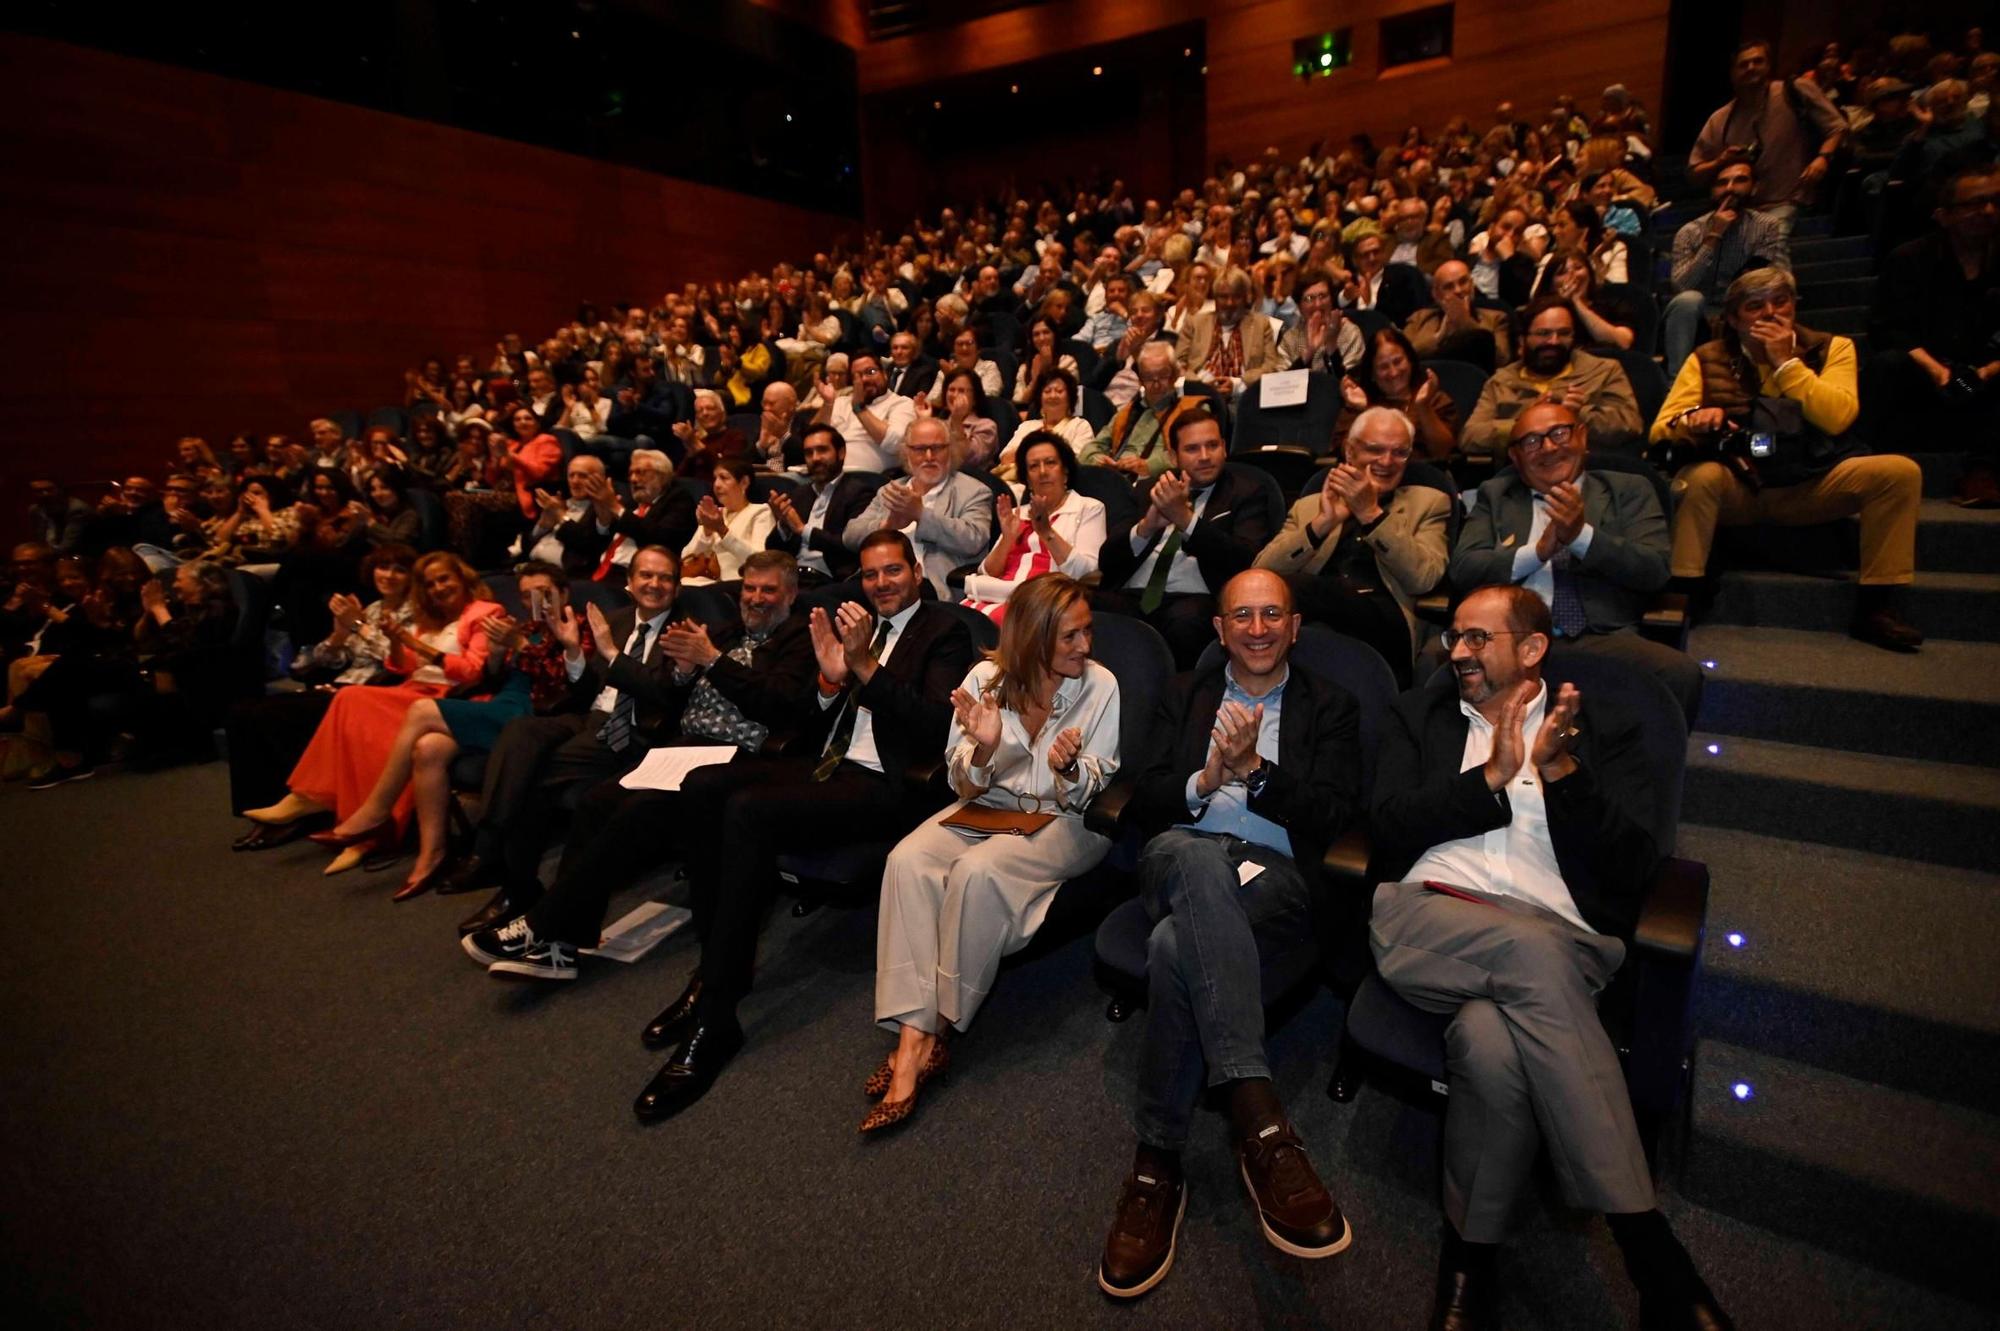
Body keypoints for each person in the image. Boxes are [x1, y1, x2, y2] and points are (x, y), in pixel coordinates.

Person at [1369, 584, 1733, 1331]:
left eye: (1479, 638)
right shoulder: (1421, 715)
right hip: (1429, 920)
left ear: (1533, 648)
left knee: (1490, 1046)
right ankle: (1650, 1251)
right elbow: (1385, 828)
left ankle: (1470, 1258)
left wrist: (1563, 775)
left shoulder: (1605, 728)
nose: (1457, 651)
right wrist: (1491, 779)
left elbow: (1638, 867)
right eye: (1454, 637)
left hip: (1560, 937)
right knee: (1529, 958)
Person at [631, 531, 977, 1123]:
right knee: (701, 786)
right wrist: (827, 681)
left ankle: (717, 1014)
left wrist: (865, 666)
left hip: (889, 785)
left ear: (917, 572)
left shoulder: (944, 629)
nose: (880, 584)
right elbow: (809, 716)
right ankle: (715, 965)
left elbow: (935, 728)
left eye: (893, 571)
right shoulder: (853, 624)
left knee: (747, 811)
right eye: (870, 575)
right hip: (826, 765)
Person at [1095, 569, 1361, 1297]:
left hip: (1276, 875)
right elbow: (1143, 787)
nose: (1257, 627)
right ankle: (1259, 1116)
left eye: (1272, 613)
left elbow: (1337, 813)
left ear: (1295, 626)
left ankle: (1157, 1163)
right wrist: (1205, 781)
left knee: (1172, 948)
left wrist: (1258, 773)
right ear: (1219, 629)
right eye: (1241, 614)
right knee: (1190, 855)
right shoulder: (1185, 694)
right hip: (1179, 854)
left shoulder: (1330, 706)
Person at [461, 552, 818, 976]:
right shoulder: (726, 631)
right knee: (597, 800)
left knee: (638, 808)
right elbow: (664, 690)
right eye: (749, 588)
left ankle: (540, 924)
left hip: (738, 753)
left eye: (768, 589)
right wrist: (685, 672)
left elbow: (779, 703)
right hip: (684, 746)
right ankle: (565, 945)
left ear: (791, 594)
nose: (756, 598)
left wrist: (712, 662)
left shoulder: (800, 639)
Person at [865, 573, 1120, 1132]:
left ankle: (925, 1033)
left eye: (1087, 633)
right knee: (906, 859)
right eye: (1071, 637)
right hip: (990, 808)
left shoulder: (1100, 686)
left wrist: (1068, 768)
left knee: (978, 873)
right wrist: (985, 751)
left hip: (1066, 820)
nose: (1085, 647)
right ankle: (919, 1033)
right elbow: (961, 781)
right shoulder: (985, 677)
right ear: (1032, 637)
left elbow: (1097, 784)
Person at [1650, 267, 1924, 652]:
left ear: (1795, 307)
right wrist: (1693, 422)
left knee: (1898, 472)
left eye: (1781, 302)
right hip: (1740, 485)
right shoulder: (1707, 357)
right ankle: (1682, 596)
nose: (1770, 314)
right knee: (1698, 477)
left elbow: (1839, 416)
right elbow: (1660, 428)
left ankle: (1876, 607)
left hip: (1812, 481)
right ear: (1732, 318)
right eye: (1754, 306)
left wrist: (1785, 364)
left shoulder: (1833, 347)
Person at [440, 546, 685, 918]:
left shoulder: (682, 630)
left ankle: (513, 883)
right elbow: (586, 691)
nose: (655, 584)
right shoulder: (616, 620)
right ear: (630, 583)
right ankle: (491, 852)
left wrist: (611, 655)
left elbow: (664, 695)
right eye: (646, 576)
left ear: (677, 588)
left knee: (530, 778)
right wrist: (573, 651)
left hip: (631, 730)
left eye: (665, 577)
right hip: (589, 716)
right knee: (522, 731)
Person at [321, 562, 590, 900]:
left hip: (530, 714)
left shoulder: (577, 625)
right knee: (429, 748)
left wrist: (521, 645)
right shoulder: (524, 626)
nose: (536, 602)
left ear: (564, 592)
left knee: (420, 710)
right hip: (501, 702)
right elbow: (493, 679)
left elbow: (568, 684)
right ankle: (432, 854)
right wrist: (496, 654)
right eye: (526, 595)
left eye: (544, 594)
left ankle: (377, 810)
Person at [240, 552, 500, 871]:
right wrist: (395, 642)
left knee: (352, 699)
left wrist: (414, 645)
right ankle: (333, 812)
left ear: (463, 578)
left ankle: (341, 815)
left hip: (452, 697)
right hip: (413, 689)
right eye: (430, 584)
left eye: (445, 579)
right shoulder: (430, 616)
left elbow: (473, 671)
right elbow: (401, 665)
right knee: (354, 714)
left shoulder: (485, 612)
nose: (438, 588)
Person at [1453, 402, 1697, 720]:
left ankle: (1643, 769)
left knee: (1680, 674)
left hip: (1600, 637)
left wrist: (1580, 536)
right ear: (1515, 457)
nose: (1548, 447)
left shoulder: (1628, 490)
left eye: (1559, 433)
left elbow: (1653, 570)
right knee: (1435, 659)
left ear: (1582, 437)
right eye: (1531, 441)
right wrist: (1538, 552)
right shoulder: (1496, 495)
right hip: (1510, 638)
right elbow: (1463, 570)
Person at [225, 543, 417, 837]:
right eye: (383, 567)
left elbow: (400, 661)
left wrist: (358, 626)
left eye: (399, 570)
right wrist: (339, 635)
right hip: (342, 684)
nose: (388, 575)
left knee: (278, 717)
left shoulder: (416, 610)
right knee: (242, 712)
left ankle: (306, 805)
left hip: (373, 693)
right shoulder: (373, 608)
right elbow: (323, 661)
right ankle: (264, 808)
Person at [1253, 408, 1451, 686]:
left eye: (1399, 452)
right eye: (1375, 449)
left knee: (1303, 590)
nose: (1387, 461)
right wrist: (1322, 523)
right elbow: (1261, 575)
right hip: (1316, 616)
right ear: (1350, 451)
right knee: (1310, 625)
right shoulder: (1310, 505)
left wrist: (1370, 513)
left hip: (1384, 618)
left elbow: (1423, 579)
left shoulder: (1430, 502)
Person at [1095, 408, 1281, 667]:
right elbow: (1107, 561)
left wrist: (1185, 520)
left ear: (1224, 448)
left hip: (1196, 600)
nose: (1205, 457)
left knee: (1186, 620)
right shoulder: (1149, 489)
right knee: (1082, 604)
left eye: (1212, 446)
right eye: (1192, 449)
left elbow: (1245, 560)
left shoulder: (1246, 492)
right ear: (1173, 456)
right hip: (1133, 595)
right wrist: (1147, 526)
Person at [1868, 163, 2000, 505]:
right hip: (1929, 375)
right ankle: (1879, 467)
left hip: (1986, 378)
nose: (1987, 211)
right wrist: (1937, 371)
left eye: (1994, 202)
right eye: (1973, 203)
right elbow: (1887, 328)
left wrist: (1986, 372)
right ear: (1943, 215)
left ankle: (1982, 472)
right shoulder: (1908, 259)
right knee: (1885, 366)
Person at [1689, 38, 1845, 238]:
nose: (1751, 68)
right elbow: (1694, 173)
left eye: (1757, 61)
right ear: (1732, 73)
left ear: (1769, 65)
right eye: (1743, 64)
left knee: (1769, 242)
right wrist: (1721, 162)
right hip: (1740, 208)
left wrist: (1823, 157)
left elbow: (1837, 127)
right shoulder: (1720, 119)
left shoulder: (1795, 89)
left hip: (1790, 199)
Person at [1460, 296, 1645, 456]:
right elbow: (1470, 437)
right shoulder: (1500, 381)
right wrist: (1526, 422)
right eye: (1543, 334)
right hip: (1519, 478)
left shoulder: (1604, 370)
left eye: (1564, 333)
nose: (1554, 341)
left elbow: (1631, 425)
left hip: (1592, 472)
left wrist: (1579, 415)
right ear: (1522, 340)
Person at [842, 417, 994, 600]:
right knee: (828, 599)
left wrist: (921, 514)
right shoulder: (891, 491)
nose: (929, 457)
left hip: (929, 585)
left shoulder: (974, 491)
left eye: (937, 448)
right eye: (920, 449)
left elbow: (974, 540)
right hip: (879, 580)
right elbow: (849, 536)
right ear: (907, 452)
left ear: (950, 450)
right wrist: (886, 526)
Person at [1664, 159, 1790, 373]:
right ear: (1712, 191)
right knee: (1686, 301)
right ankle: (1675, 381)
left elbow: (1773, 277)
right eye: (1722, 183)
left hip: (1746, 304)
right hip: (1701, 310)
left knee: (1767, 297)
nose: (1730, 188)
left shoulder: (1766, 226)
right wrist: (1713, 236)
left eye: (1739, 180)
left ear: (1754, 187)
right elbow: (1681, 285)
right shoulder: (1690, 232)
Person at [963, 432, 1107, 620]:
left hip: (1044, 604)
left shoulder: (1088, 508)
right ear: (1028, 480)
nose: (1042, 472)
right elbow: (987, 573)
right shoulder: (1017, 513)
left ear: (1065, 471)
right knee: (958, 621)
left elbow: (1087, 575)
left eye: (1050, 463)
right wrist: (1007, 539)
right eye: (1033, 466)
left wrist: (1046, 532)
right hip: (997, 596)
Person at [765, 423, 876, 585]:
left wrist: (803, 530)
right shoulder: (799, 494)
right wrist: (783, 525)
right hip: (791, 578)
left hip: (832, 580)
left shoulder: (859, 493)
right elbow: (773, 550)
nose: (815, 458)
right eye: (809, 453)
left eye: (822, 450)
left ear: (841, 453)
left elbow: (852, 547)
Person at [1082, 342, 1207, 480]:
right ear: (1140, 380)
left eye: (1163, 375)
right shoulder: (1127, 412)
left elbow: (1195, 453)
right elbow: (1088, 451)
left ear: (1176, 374)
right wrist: (1100, 462)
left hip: (1159, 484)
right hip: (1116, 481)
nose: (1156, 384)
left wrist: (1148, 465)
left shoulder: (1194, 408)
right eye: (1148, 377)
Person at [1335, 327, 1460, 459]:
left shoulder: (1434, 399)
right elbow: (1348, 454)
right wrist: (1364, 411)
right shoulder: (1357, 403)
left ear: (1410, 361)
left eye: (1398, 362)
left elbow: (1443, 452)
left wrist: (1423, 406)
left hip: (1423, 475)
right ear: (1372, 373)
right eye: (1383, 367)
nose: (1393, 372)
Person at [586, 448, 696, 589]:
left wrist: (614, 506)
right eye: (631, 473)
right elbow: (593, 545)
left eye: (640, 472)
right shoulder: (631, 504)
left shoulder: (679, 500)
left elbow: (660, 538)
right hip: (600, 572)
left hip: (633, 579)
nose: (633, 479)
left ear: (662, 477)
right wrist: (603, 517)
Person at [1176, 267, 1285, 400]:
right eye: (1223, 297)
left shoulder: (1261, 324)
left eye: (1236, 297)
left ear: (1246, 298)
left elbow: (1271, 366)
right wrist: (1200, 384)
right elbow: (1177, 364)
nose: (1230, 303)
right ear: (1215, 298)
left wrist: (1237, 384)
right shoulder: (1195, 323)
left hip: (1244, 396)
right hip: (1200, 395)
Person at [1403, 260, 1516, 372]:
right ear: (1436, 295)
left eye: (1463, 282)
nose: (1458, 290)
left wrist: (1466, 323)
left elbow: (1502, 360)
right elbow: (1404, 356)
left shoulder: (1496, 318)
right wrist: (1439, 336)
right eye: (1448, 287)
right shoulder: (1419, 318)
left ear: (1472, 285)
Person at [680, 457, 774, 586]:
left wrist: (723, 531)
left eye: (724, 478)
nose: (716, 485)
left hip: (740, 584)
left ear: (744, 482)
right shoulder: (716, 513)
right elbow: (687, 557)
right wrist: (707, 531)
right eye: (715, 478)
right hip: (708, 583)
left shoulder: (760, 512)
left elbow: (759, 562)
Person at [815, 350, 913, 473]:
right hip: (827, 473)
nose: (864, 379)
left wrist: (859, 409)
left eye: (870, 372)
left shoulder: (901, 404)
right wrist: (828, 404)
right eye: (856, 375)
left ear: (884, 374)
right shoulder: (841, 402)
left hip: (867, 479)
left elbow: (896, 444)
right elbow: (812, 438)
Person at [995, 366, 1095, 479]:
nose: (1053, 396)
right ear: (1040, 399)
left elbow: (1074, 463)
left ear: (1070, 398)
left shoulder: (1080, 426)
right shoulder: (1027, 426)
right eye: (1047, 391)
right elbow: (1005, 459)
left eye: (1059, 391)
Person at [1278, 268, 1365, 374]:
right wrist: (1308, 352)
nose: (1318, 304)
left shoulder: (1349, 332)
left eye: (1323, 296)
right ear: (1299, 307)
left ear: (1331, 300)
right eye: (1309, 299)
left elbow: (1350, 383)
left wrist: (1332, 347)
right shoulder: (1290, 339)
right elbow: (1282, 385)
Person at [926, 366, 1002, 471]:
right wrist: (923, 420)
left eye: (961, 391)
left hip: (972, 481)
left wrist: (957, 422)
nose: (955, 395)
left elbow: (969, 461)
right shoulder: (939, 425)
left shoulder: (987, 427)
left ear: (975, 398)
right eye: (951, 390)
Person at [671, 389, 751, 483]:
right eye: (699, 411)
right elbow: (680, 477)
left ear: (722, 412)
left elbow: (727, 469)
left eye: (710, 408)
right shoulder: (701, 441)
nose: (705, 413)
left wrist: (695, 444)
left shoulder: (735, 437)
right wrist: (690, 449)